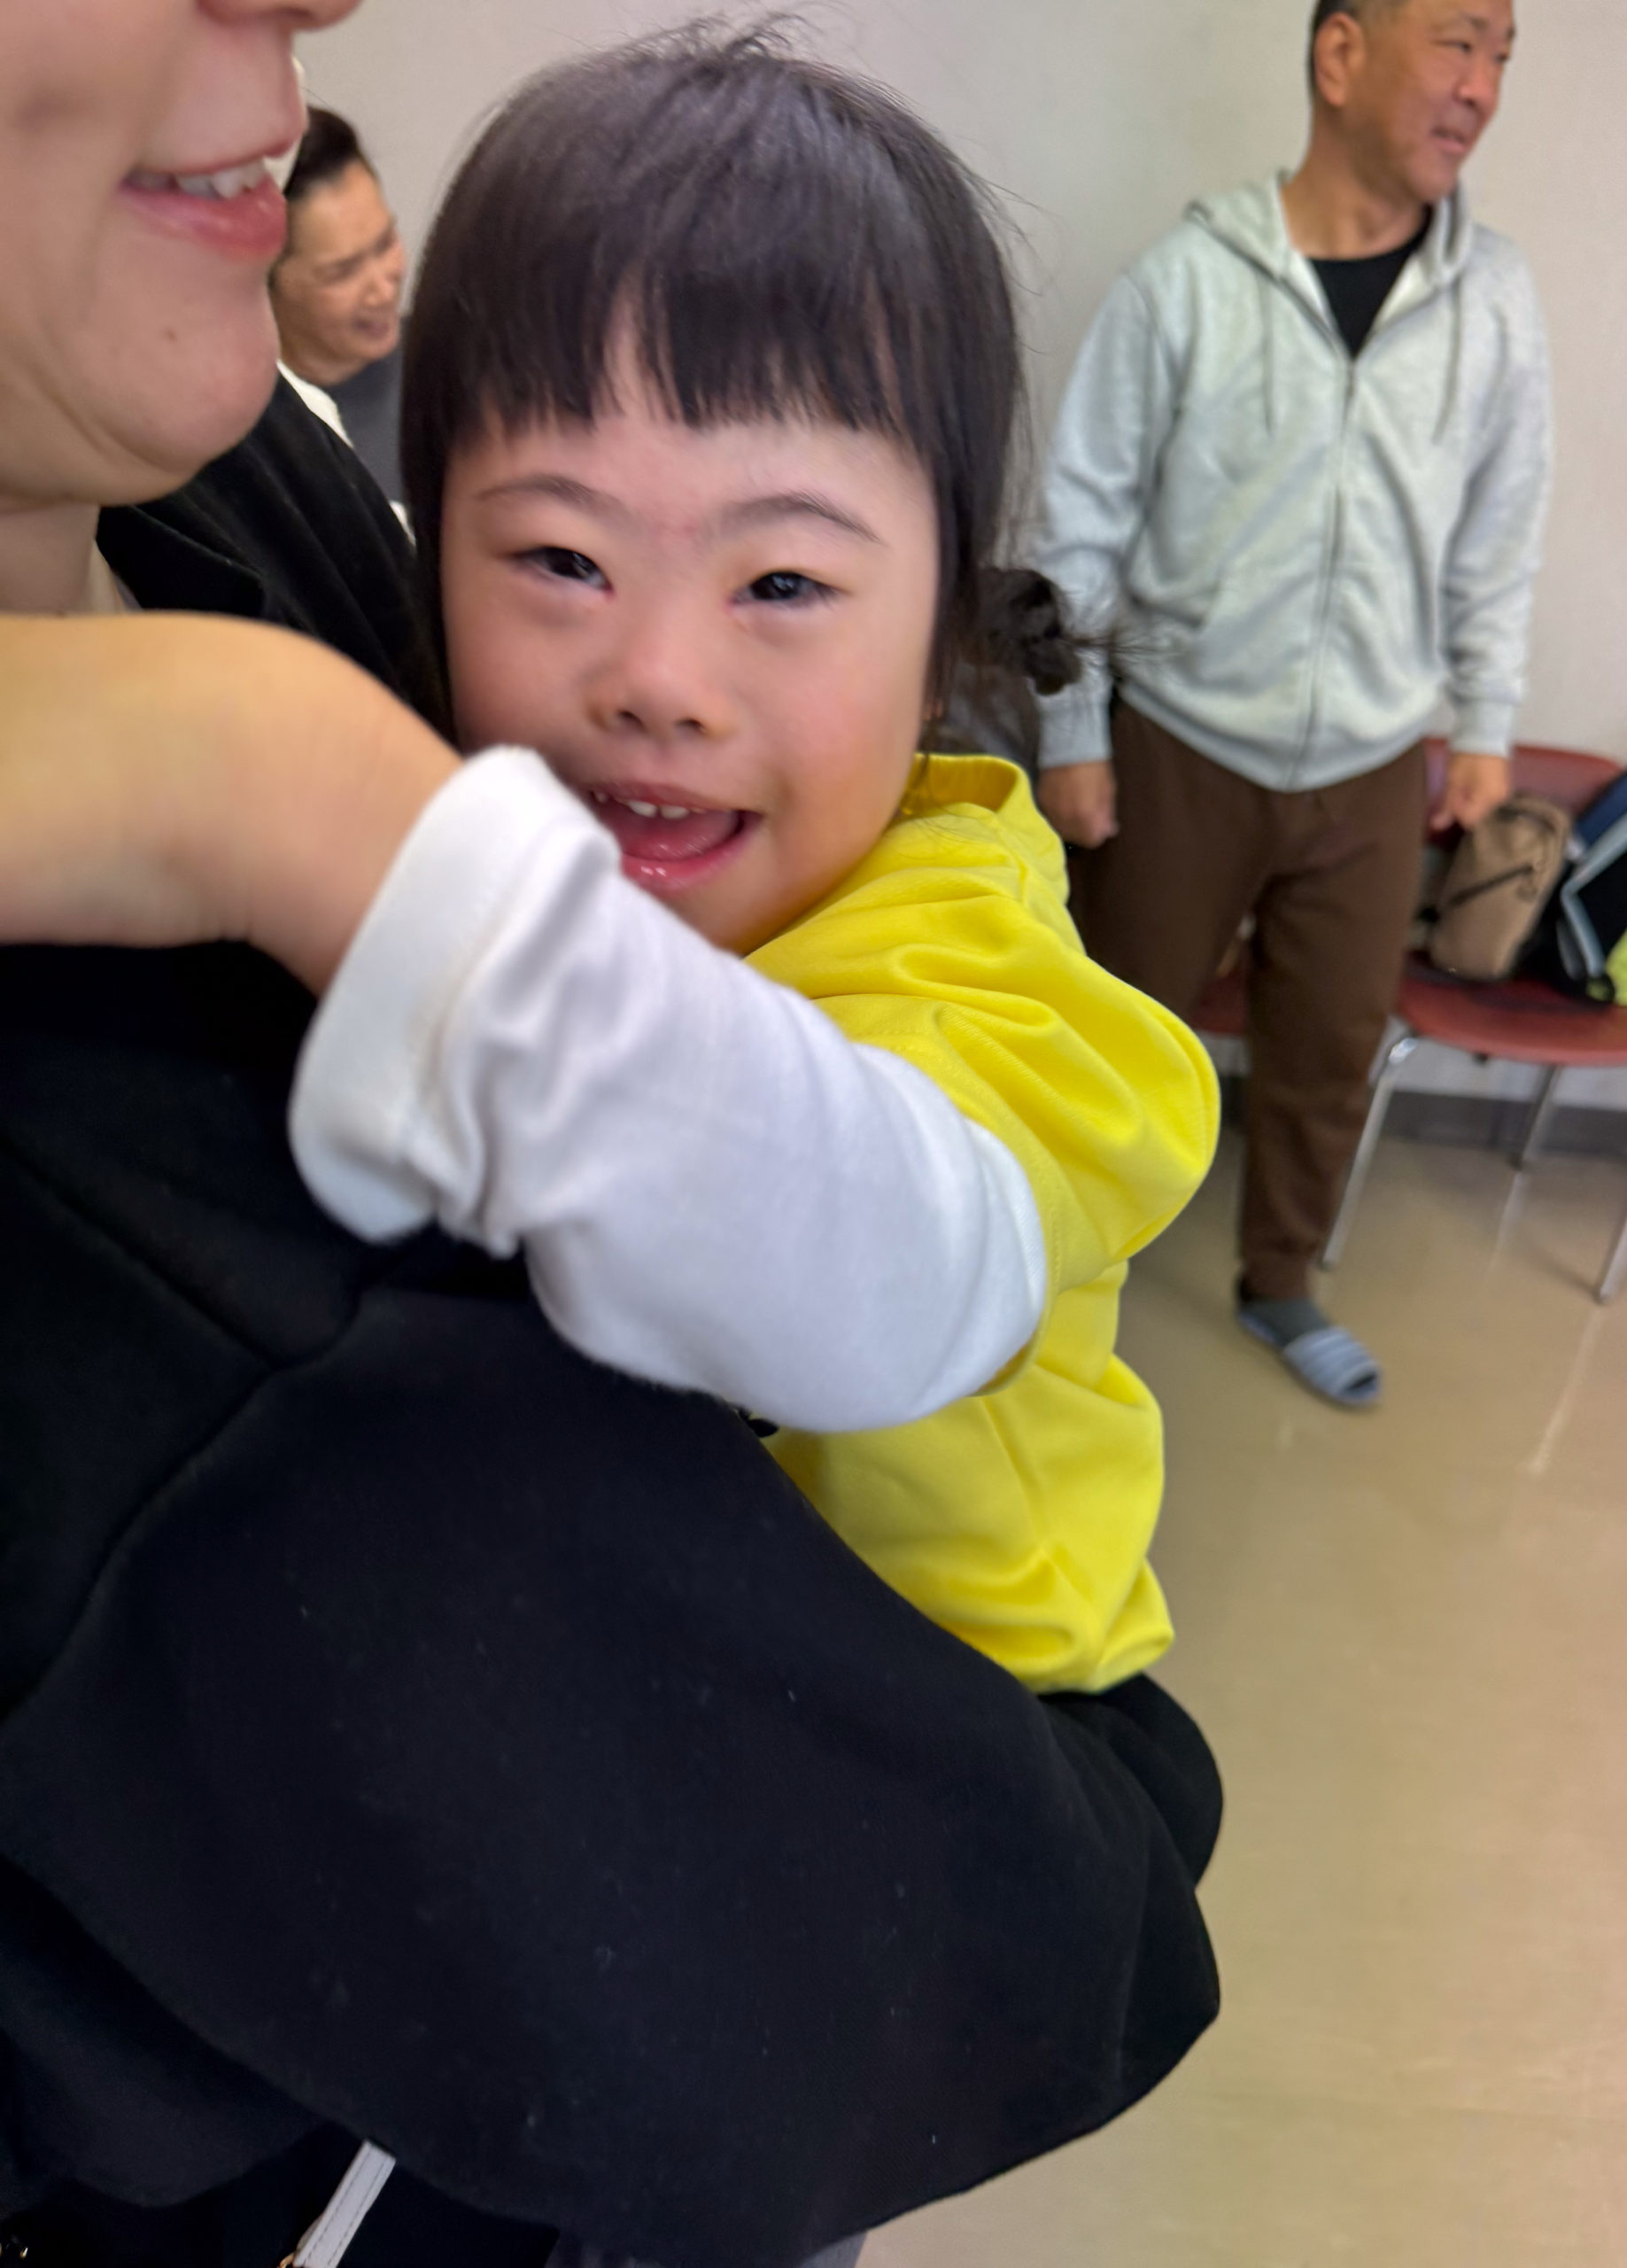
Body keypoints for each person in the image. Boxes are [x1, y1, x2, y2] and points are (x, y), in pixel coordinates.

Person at [0, 13, 1220, 2267]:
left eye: (786, 585)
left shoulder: (964, 960)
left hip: (904, 1786)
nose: (658, 670)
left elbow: (884, 1278)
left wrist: (300, 808)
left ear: (946, 610)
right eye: (554, 558)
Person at [1033, 0, 1551, 1410]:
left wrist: (1485, 722)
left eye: (1503, 55)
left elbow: (1501, 533)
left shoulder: (1495, 301)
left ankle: (1279, 1285)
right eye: (1458, 41)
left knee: (1327, 1052)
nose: (1482, 87)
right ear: (1340, 56)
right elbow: (1080, 519)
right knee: (1118, 1033)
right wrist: (1072, 731)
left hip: (1377, 765)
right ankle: (1058, 1280)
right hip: (1181, 743)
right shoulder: (1187, 282)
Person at [272, 105, 407, 502]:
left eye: (385, 243)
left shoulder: (459, 374)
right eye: (342, 273)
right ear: (266, 280)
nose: (382, 291)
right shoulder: (259, 441)